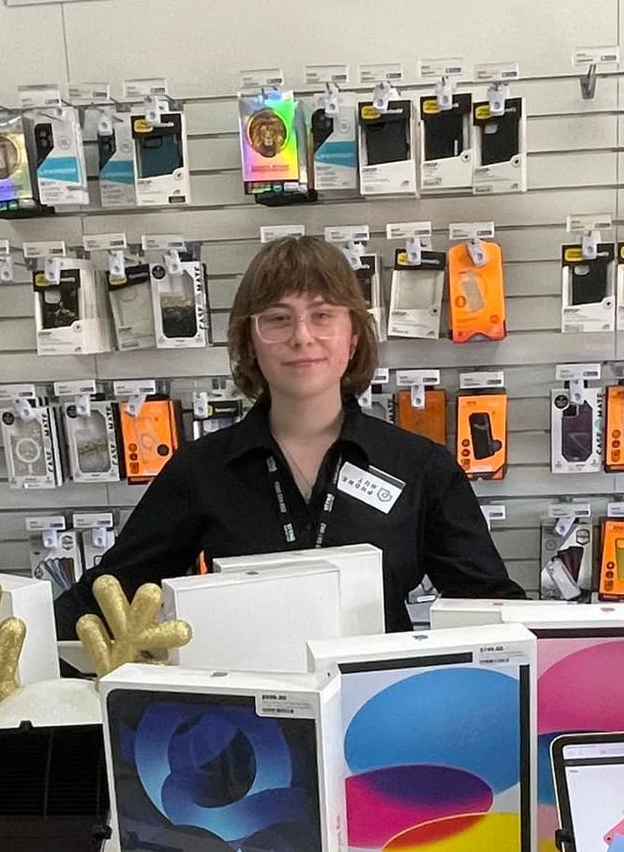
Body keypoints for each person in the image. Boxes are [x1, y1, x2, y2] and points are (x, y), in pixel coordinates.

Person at [56, 235, 525, 638]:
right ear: (250, 342)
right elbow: (107, 595)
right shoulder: (201, 470)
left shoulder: (419, 467)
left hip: (382, 712)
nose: (302, 336)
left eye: (322, 315)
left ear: (353, 336)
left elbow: (487, 603)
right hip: (248, 720)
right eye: (278, 318)